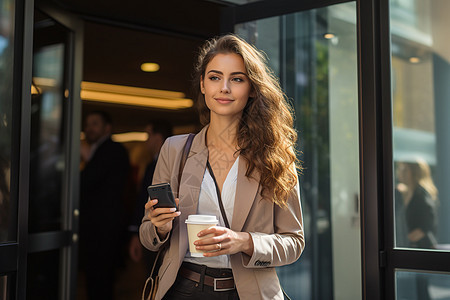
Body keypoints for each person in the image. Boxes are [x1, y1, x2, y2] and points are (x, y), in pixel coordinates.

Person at [139, 34, 305, 300]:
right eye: (215, 77)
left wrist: (243, 241)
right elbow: (148, 236)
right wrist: (159, 227)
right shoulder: (174, 149)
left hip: (248, 293)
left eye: (237, 79)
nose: (224, 88)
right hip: (183, 290)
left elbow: (294, 243)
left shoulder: (275, 156)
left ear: (252, 88)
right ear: (203, 85)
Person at [79, 111, 130, 300]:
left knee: (101, 282)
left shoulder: (112, 150)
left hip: (104, 230)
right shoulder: (100, 151)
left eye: (94, 124)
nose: (89, 128)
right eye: (87, 124)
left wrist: (87, 160)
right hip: (99, 229)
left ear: (107, 128)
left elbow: (87, 182)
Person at [128, 121, 173, 267]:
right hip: (155, 230)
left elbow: (143, 198)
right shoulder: (152, 163)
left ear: (158, 138)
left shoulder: (159, 165)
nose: (146, 141)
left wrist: (135, 232)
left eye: (148, 136)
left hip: (162, 231)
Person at [396, 158, 438, 300]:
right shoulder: (409, 192)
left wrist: (407, 238)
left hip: (420, 247)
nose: (399, 172)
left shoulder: (421, 194)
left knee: (420, 291)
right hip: (412, 247)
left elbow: (428, 224)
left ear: (413, 173)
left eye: (404, 169)